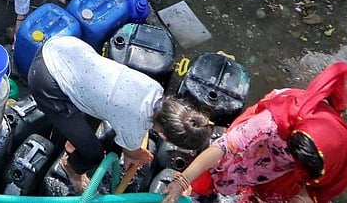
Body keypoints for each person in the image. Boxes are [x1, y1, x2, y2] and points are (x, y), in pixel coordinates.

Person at [29, 35, 212, 193]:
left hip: (62, 46)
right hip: (46, 80)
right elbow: (130, 150)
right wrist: (136, 153)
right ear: (163, 135)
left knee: (98, 106)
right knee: (94, 154)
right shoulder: (135, 125)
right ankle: (71, 167)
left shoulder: (155, 89)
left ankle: (74, 140)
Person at [161, 62, 347, 203]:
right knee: (223, 169)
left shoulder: (338, 161)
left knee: (273, 193)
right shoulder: (273, 122)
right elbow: (223, 147)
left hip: (283, 172)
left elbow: (316, 191)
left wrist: (302, 198)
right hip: (261, 145)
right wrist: (182, 181)